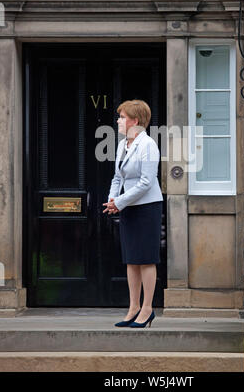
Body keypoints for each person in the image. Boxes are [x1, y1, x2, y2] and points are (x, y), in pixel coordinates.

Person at [102, 99, 163, 328]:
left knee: (146, 259)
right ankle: (133, 307)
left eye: (122, 117)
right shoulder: (122, 145)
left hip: (147, 207)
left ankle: (147, 309)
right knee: (131, 260)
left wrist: (120, 201)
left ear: (135, 121)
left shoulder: (148, 145)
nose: (118, 121)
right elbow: (118, 177)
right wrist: (112, 199)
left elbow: (147, 182)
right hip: (128, 207)